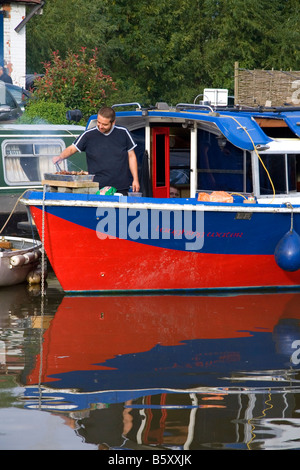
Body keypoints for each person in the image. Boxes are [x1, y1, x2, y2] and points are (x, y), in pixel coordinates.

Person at [53, 106, 140, 195]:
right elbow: (72, 149)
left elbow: (131, 156)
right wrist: (60, 157)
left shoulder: (123, 132)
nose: (100, 126)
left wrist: (135, 179)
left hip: (120, 187)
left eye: (105, 124)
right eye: (99, 122)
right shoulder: (88, 135)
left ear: (113, 122)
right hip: (97, 187)